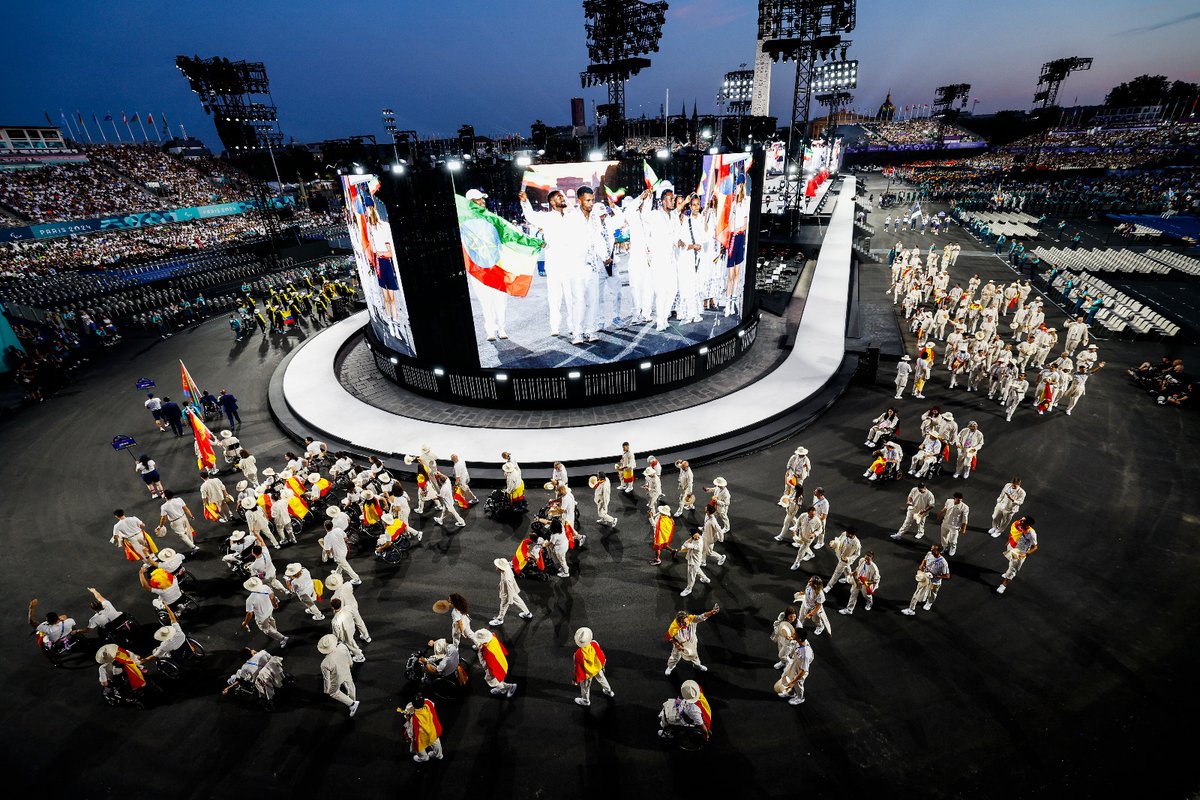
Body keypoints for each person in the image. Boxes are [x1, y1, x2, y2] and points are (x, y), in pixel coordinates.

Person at [520, 188, 583, 341]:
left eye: (563, 196)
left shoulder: (572, 217)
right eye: (559, 197)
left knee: (571, 296)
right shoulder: (546, 218)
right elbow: (530, 216)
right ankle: (555, 326)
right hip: (554, 263)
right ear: (551, 202)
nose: (562, 198)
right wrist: (524, 202)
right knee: (554, 296)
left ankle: (573, 326)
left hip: (570, 262)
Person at [664, 604, 719, 675]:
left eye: (687, 622)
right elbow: (669, 637)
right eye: (684, 623)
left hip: (692, 641)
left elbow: (702, 616)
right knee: (675, 656)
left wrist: (712, 612)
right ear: (678, 622)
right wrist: (677, 644)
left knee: (694, 655)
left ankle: (697, 665)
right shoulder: (673, 628)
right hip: (680, 643)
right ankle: (671, 666)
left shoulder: (691, 619)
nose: (686, 624)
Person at [317, 634, 360, 717]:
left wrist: (327, 689)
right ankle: (353, 700)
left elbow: (327, 679)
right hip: (346, 670)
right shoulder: (342, 646)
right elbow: (349, 658)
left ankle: (352, 704)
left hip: (337, 678)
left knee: (333, 692)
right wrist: (351, 664)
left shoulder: (325, 663)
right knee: (350, 685)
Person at [901, 544, 951, 615]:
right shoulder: (929, 553)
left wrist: (935, 576)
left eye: (933, 550)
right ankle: (911, 609)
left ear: (938, 551)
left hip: (934, 583)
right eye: (931, 548)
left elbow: (947, 576)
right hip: (925, 579)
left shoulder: (943, 563)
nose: (931, 550)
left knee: (932, 593)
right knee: (917, 592)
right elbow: (925, 559)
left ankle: (929, 602)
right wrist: (921, 565)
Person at [572, 626, 615, 706]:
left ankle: (585, 700)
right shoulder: (594, 643)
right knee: (602, 679)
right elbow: (600, 653)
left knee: (585, 687)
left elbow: (578, 668)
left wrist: (575, 679)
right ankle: (608, 691)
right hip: (597, 668)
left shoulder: (578, 654)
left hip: (587, 673)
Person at [240, 576, 287, 647]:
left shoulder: (249, 600)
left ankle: (282, 638)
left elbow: (250, 613)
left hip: (261, 617)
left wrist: (245, 622)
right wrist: (275, 604)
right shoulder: (265, 587)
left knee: (266, 629)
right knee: (271, 619)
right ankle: (274, 631)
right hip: (269, 609)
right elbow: (272, 596)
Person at [997, 515, 1038, 594]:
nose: (1020, 521)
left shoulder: (1031, 533)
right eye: (1021, 519)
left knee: (1012, 568)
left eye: (1023, 521)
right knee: (1011, 562)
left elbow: (1035, 547)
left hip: (1019, 552)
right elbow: (1014, 534)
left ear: (1028, 524)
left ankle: (1003, 585)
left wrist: (1026, 554)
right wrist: (1009, 541)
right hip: (1011, 546)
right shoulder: (1018, 525)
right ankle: (1009, 572)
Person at [324, 572, 369, 641]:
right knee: (359, 621)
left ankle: (346, 639)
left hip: (345, 613)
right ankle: (366, 636)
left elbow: (337, 609)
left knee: (347, 628)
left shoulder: (334, 597)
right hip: (353, 605)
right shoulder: (348, 584)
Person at [473, 628, 518, 697]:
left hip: (494, 667)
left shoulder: (487, 651)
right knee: (500, 678)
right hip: (501, 661)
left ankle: (508, 687)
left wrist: (490, 675)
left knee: (493, 681)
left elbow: (490, 665)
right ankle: (503, 689)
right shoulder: (493, 638)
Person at [489, 557, 534, 626]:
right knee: (518, 600)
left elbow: (509, 589)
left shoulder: (507, 578)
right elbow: (511, 563)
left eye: (497, 566)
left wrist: (510, 600)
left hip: (507, 592)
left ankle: (500, 619)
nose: (496, 566)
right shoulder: (506, 566)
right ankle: (527, 613)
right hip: (511, 589)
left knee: (503, 605)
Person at [776, 627, 813, 706]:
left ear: (799, 638)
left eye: (794, 634)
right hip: (794, 664)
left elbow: (803, 671)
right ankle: (790, 693)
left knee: (797, 685)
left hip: (800, 670)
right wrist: (791, 638)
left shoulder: (806, 654)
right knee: (785, 676)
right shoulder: (801, 641)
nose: (792, 635)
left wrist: (793, 681)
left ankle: (800, 698)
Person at [400, 696, 444, 761]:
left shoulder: (413, 718)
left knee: (419, 749)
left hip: (421, 738)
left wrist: (407, 717)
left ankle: (424, 758)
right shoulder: (428, 703)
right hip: (433, 732)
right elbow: (432, 703)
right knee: (436, 743)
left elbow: (410, 731)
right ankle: (439, 755)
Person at [321, 520, 361, 584]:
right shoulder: (338, 529)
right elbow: (346, 539)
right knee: (342, 564)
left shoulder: (326, 538)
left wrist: (329, 555)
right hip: (345, 550)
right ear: (332, 525)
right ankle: (338, 573)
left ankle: (357, 579)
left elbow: (328, 551)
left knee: (347, 568)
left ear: (325, 527)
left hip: (338, 555)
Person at [330, 598, 366, 663]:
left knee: (350, 644)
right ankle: (356, 649)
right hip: (352, 628)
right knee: (351, 641)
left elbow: (337, 633)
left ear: (332, 607)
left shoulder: (335, 621)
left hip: (345, 634)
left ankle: (360, 656)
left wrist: (338, 639)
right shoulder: (347, 608)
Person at [679, 529, 711, 597]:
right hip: (694, 561)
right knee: (697, 570)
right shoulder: (698, 537)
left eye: (693, 536)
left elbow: (686, 544)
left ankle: (689, 589)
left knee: (691, 576)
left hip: (693, 562)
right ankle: (706, 579)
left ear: (696, 533)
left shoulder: (698, 544)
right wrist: (692, 537)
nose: (692, 537)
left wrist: (690, 539)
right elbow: (689, 541)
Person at [938, 492, 970, 556]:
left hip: (955, 526)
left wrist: (964, 528)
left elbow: (965, 519)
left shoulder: (965, 507)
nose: (959, 501)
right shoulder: (949, 501)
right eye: (958, 500)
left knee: (953, 539)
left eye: (960, 500)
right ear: (954, 498)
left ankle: (953, 547)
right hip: (945, 522)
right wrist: (940, 512)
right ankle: (945, 547)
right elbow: (946, 508)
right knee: (943, 536)